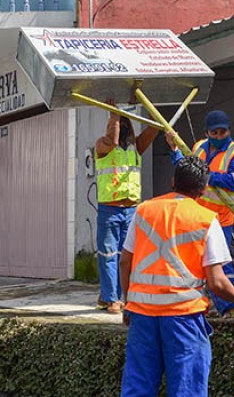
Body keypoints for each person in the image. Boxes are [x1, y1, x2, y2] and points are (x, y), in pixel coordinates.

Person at [119, 157, 234, 397]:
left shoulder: (143, 210)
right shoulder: (206, 219)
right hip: (183, 317)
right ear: (204, 188)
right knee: (187, 389)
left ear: (173, 181)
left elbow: (124, 262)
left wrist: (127, 303)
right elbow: (217, 282)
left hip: (142, 314)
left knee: (137, 387)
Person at [165, 110, 234, 315]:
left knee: (219, 264)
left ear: (229, 130)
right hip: (195, 217)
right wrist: (174, 150)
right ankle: (206, 303)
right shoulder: (197, 148)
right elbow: (185, 170)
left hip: (220, 219)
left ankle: (230, 308)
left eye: (223, 132)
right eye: (215, 133)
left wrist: (207, 175)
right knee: (195, 263)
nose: (220, 136)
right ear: (207, 132)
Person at [95, 103, 159, 314]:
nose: (121, 128)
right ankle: (112, 299)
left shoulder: (135, 147)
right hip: (110, 210)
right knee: (109, 255)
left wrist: (151, 104)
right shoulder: (102, 145)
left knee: (127, 256)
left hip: (131, 210)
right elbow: (113, 141)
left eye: (124, 123)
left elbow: (154, 126)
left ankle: (116, 296)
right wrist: (114, 113)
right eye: (116, 123)